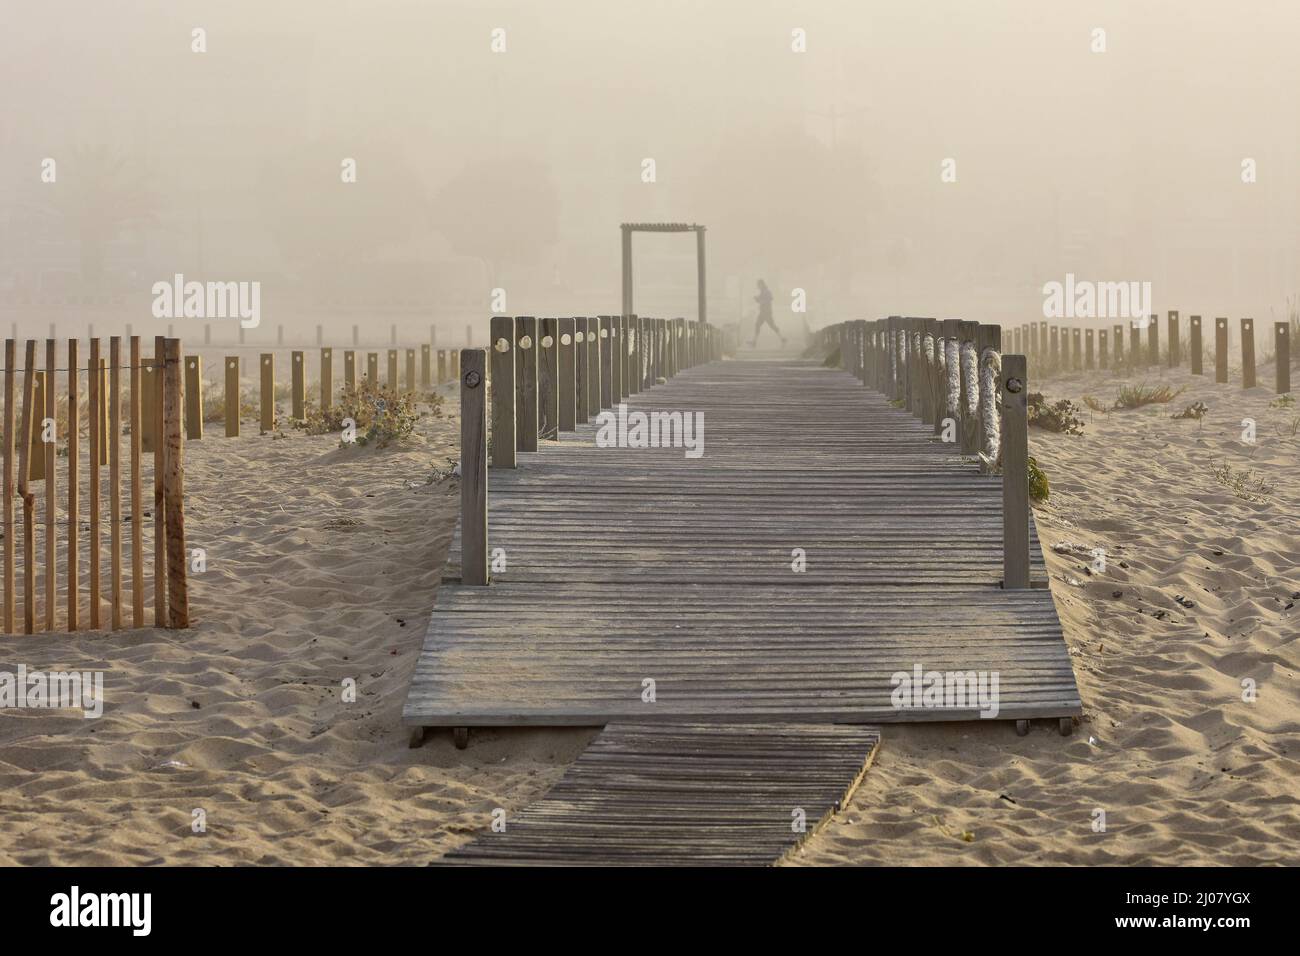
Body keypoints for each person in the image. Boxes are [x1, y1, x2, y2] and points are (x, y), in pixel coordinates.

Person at [750, 279, 785, 347]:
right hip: (764, 312)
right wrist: (757, 299)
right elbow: (761, 300)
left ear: (761, 284)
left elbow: (769, 299)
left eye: (758, 285)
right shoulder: (763, 291)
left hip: (766, 313)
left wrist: (760, 301)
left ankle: (782, 338)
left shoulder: (766, 291)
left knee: (770, 325)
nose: (758, 286)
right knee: (759, 325)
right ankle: (754, 341)